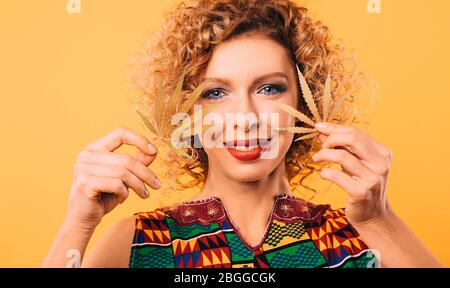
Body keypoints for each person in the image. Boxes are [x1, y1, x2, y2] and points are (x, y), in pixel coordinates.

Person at [43, 0, 442, 268]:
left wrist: (379, 219)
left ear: (307, 98)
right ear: (185, 110)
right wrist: (77, 223)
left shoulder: (355, 240)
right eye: (215, 93)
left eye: (270, 88)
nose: (245, 118)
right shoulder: (140, 244)